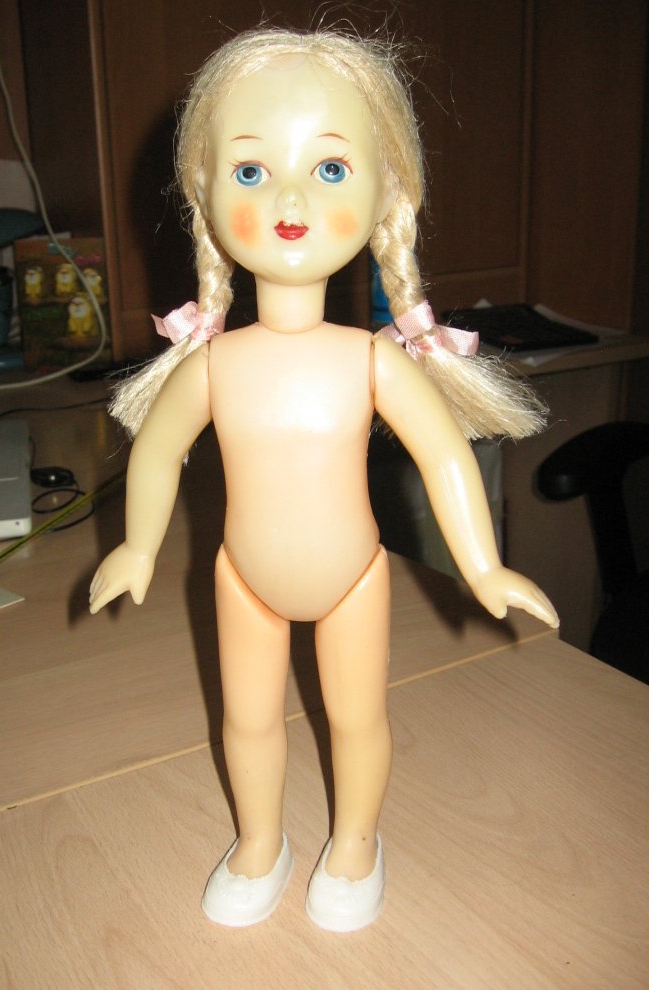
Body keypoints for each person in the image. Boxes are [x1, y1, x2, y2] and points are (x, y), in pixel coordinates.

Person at [89, 28, 558, 933]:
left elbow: (445, 456)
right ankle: (258, 843)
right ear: (206, 193)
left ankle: (355, 844)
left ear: (386, 194)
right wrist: (139, 547)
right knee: (247, 723)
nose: (291, 201)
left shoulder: (371, 361)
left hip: (353, 580)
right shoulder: (214, 365)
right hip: (243, 579)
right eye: (252, 171)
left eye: (332, 169)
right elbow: (154, 451)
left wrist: (483, 564)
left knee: (355, 719)